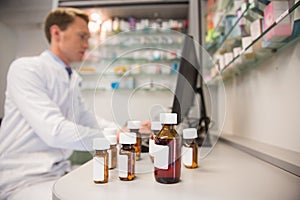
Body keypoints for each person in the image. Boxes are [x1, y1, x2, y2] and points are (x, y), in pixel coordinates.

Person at [0, 7, 119, 200]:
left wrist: (122, 131)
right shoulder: (26, 69)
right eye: (82, 36)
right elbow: (54, 131)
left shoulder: (71, 78)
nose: (87, 45)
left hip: (58, 174)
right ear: (56, 33)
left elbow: (89, 120)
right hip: (24, 179)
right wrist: (112, 138)